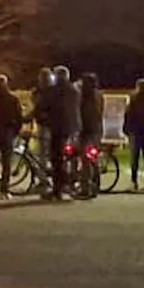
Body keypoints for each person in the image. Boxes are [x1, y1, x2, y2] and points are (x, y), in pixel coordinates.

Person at [48, 64, 80, 199]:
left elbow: (45, 105)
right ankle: (70, 183)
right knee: (68, 157)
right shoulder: (74, 90)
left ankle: (59, 187)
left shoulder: (54, 90)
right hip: (72, 127)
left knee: (57, 158)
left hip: (58, 127)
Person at [124, 79, 144, 189]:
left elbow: (128, 115)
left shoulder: (133, 98)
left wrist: (126, 129)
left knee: (134, 158)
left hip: (135, 132)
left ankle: (134, 181)